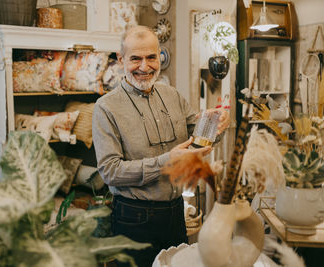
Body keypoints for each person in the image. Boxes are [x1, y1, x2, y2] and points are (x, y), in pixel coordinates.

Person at [92, 25, 230, 267]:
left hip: (176, 213)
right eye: (135, 58)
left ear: (160, 57)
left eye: (151, 57)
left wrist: (214, 125)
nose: (144, 67)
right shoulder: (105, 108)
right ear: (121, 59)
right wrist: (168, 160)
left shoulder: (173, 95)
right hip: (132, 218)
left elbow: (196, 138)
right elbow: (110, 171)